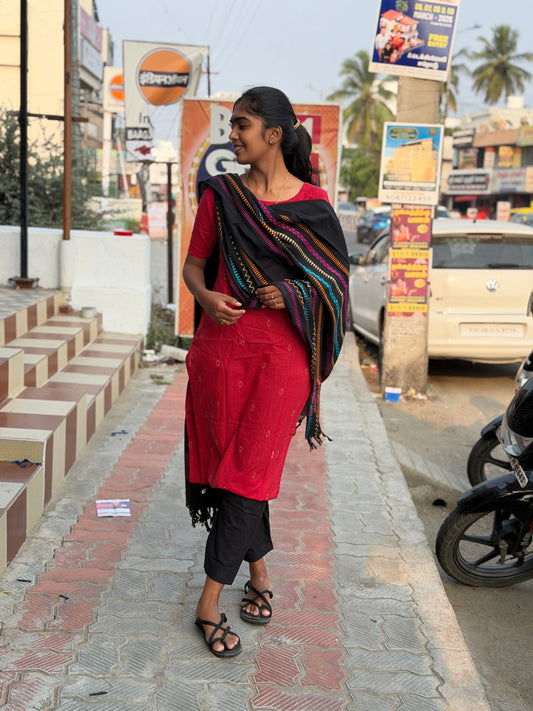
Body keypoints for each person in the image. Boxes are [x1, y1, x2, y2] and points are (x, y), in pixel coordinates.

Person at [182, 86, 349, 657]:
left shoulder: (314, 205)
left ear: (274, 134)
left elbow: (334, 284)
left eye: (242, 125)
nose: (232, 135)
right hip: (220, 353)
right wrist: (205, 298)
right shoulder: (222, 196)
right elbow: (193, 267)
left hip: (281, 360)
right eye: (232, 125)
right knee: (237, 471)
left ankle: (208, 603)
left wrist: (293, 293)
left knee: (249, 472)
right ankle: (258, 575)